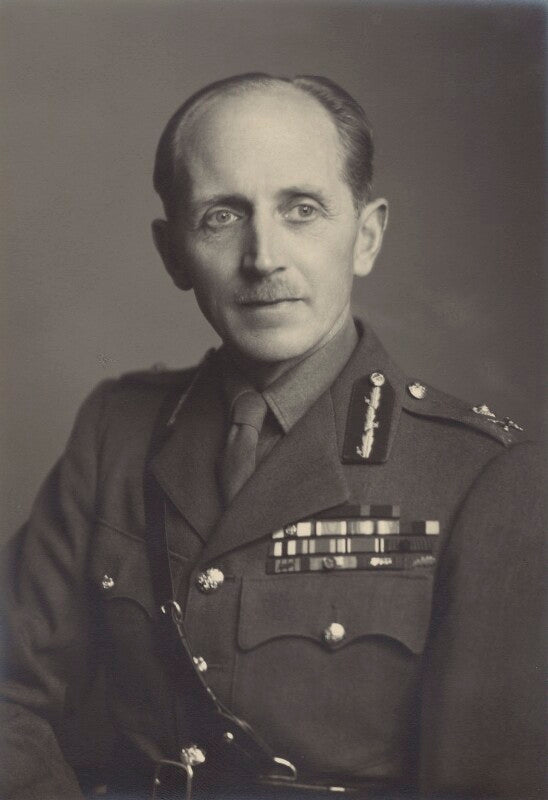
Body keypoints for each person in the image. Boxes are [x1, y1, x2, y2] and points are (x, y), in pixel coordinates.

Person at [0, 73, 543, 800]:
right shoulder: (117, 433)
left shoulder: (484, 477)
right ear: (173, 252)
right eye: (222, 216)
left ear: (366, 236)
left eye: (302, 210)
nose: (264, 257)